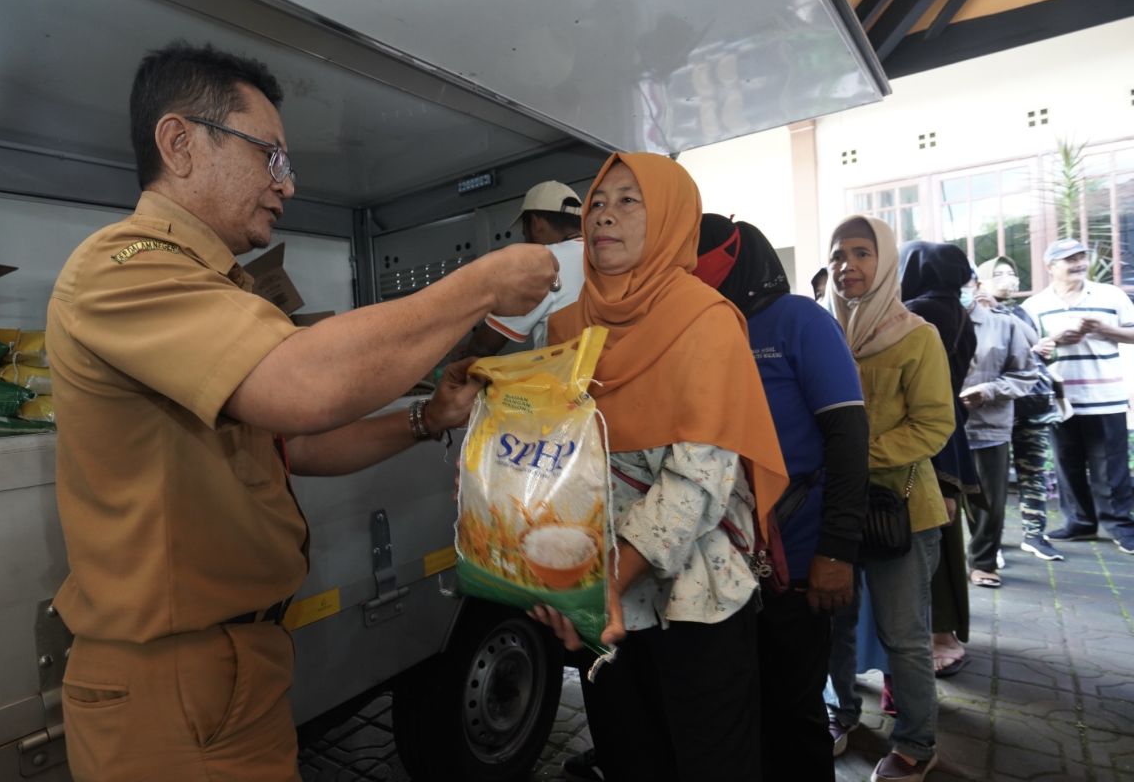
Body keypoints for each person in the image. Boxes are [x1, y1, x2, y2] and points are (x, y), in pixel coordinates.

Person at [46, 42, 557, 781]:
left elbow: (293, 445)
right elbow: (303, 385)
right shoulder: (121, 268)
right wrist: (476, 287)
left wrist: (424, 421)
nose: (287, 184)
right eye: (270, 157)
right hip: (170, 685)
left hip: (232, 667)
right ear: (179, 143)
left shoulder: (213, 288)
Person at [531, 153, 789, 782]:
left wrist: (600, 582)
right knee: (627, 757)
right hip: (604, 595)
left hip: (695, 601)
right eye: (596, 202)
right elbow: (553, 455)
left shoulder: (705, 320)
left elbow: (698, 482)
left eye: (628, 201)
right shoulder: (566, 325)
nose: (604, 216)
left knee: (707, 763)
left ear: (673, 219)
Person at [694, 214, 869, 780]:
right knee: (743, 710)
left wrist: (837, 552)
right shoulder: (704, 330)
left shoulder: (797, 320)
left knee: (794, 712)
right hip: (721, 568)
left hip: (795, 560)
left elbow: (848, 438)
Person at [823, 216, 955, 782]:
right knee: (833, 621)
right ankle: (840, 712)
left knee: (904, 636)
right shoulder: (823, 333)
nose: (847, 265)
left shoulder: (915, 335)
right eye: (837, 255)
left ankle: (916, 744)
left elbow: (934, 425)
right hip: (834, 509)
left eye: (861, 252)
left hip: (900, 508)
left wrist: (855, 454)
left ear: (886, 261)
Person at [898, 240, 981, 679]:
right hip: (949, 433)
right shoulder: (958, 310)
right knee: (944, 537)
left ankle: (941, 637)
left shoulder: (917, 312)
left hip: (925, 438)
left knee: (931, 537)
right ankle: (945, 633)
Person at [1022, 238, 1134, 554]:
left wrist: (1105, 330)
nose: (1078, 263)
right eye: (1069, 259)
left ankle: (1120, 526)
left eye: (1082, 256)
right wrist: (1052, 340)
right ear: (1050, 267)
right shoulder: (1034, 305)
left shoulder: (1111, 295)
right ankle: (1079, 523)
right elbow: (1025, 352)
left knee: (1111, 466)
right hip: (1060, 398)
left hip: (1105, 393)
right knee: (1067, 463)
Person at [975, 255, 1064, 561]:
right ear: (981, 280)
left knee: (1033, 472)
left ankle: (1034, 534)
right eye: (998, 274)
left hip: (1030, 406)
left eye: (1011, 273)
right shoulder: (973, 313)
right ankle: (990, 544)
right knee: (991, 484)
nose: (1007, 279)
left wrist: (1046, 353)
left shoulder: (1024, 313)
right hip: (993, 411)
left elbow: (1036, 356)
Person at [959, 272, 1038, 586]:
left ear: (977, 286)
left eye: (964, 285)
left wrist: (989, 390)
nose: (958, 292)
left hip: (988, 424)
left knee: (989, 500)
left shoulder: (1003, 324)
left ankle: (983, 562)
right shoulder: (929, 321)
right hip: (942, 427)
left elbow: (1026, 374)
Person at [461, 181, 585, 356]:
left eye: (524, 231)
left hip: (564, 380)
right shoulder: (607, 255)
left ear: (536, 223)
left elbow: (483, 346)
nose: (525, 238)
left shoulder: (541, 265)